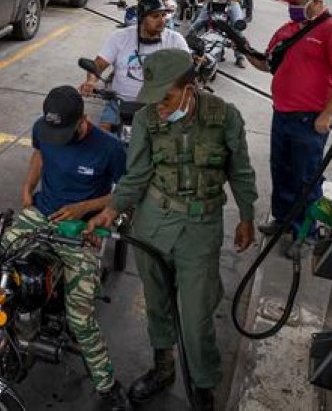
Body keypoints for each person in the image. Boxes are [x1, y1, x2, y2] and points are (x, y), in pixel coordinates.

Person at [0, 86, 132, 411]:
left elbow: (124, 195)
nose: (57, 138)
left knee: (80, 317)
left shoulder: (110, 149)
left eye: (66, 131)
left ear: (83, 120)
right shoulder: (43, 129)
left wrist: (86, 209)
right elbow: (39, 154)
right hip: (40, 215)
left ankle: (107, 384)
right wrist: (27, 188)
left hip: (81, 230)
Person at [88, 48, 257, 411]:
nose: (159, 107)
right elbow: (136, 175)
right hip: (153, 225)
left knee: (196, 316)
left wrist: (246, 214)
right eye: (154, 98)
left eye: (166, 97)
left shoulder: (225, 117)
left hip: (201, 229)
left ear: (188, 87)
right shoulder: (148, 119)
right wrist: (112, 208)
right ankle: (163, 368)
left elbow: (240, 171)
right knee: (157, 305)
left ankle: (203, 383)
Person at [247, 0, 332, 256]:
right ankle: (283, 220)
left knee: (306, 178)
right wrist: (243, 49)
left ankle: (307, 234)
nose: (291, 7)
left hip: (309, 120)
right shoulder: (288, 30)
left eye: (297, 2)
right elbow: (266, 64)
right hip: (281, 114)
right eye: (290, 2)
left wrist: (327, 114)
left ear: (317, 1)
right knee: (281, 169)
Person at [81, 0, 189, 132]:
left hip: (160, 105)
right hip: (119, 102)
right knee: (103, 138)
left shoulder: (175, 40)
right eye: (155, 16)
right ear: (141, 19)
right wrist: (90, 81)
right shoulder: (120, 37)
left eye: (163, 15)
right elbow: (98, 66)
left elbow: (188, 71)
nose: (162, 20)